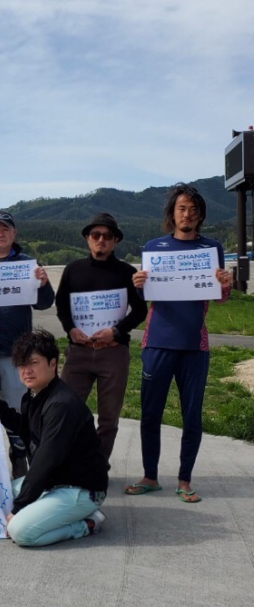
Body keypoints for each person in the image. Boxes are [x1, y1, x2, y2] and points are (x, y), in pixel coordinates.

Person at [126, 184, 233, 503]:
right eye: (181, 208)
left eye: (193, 209)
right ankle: (150, 475)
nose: (187, 214)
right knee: (150, 414)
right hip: (156, 342)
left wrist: (225, 285)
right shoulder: (154, 247)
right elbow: (145, 297)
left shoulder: (211, 248)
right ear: (172, 214)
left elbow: (221, 296)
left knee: (192, 416)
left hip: (194, 346)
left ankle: (185, 479)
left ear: (200, 215)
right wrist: (138, 285)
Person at [0, 330, 109, 547]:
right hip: (54, 483)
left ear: (53, 364)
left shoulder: (61, 405)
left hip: (80, 489)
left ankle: (87, 523)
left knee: (20, 531)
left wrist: (18, 509)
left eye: (33, 363)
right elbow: (24, 428)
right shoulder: (34, 395)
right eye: (21, 364)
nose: (26, 370)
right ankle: (46, 509)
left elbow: (44, 461)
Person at [54, 213, 148, 463]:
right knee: (66, 411)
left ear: (115, 240)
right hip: (79, 351)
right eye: (96, 235)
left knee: (108, 418)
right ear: (87, 238)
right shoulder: (73, 270)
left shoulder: (127, 272)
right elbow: (62, 304)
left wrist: (116, 331)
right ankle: (66, 464)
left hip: (113, 352)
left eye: (107, 236)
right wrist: (70, 328)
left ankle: (97, 465)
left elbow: (140, 311)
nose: (101, 240)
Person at [0, 212, 54, 477]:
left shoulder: (27, 264)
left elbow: (43, 303)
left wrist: (43, 283)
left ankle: (19, 459)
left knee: (18, 411)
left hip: (17, 353)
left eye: (5, 229)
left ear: (14, 234)